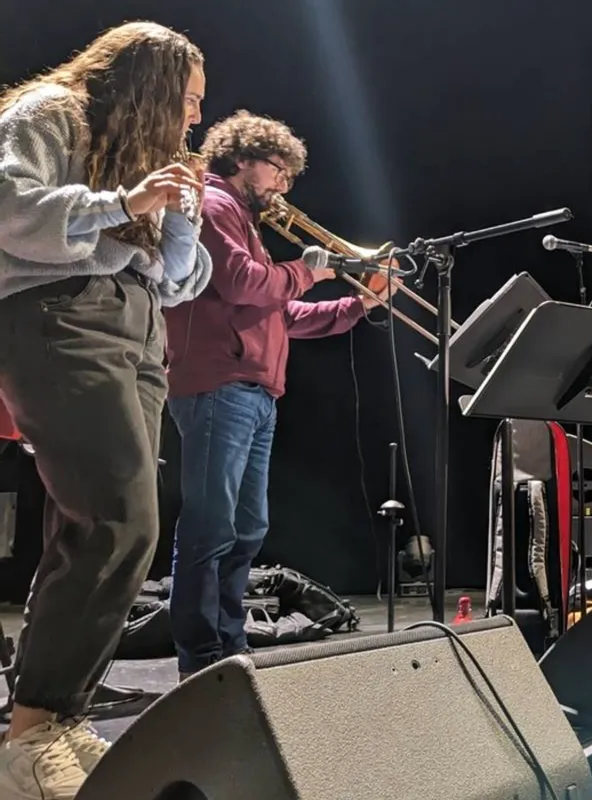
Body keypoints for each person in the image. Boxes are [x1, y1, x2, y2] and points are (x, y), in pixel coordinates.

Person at [0, 20, 211, 797]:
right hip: (59, 310)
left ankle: (54, 720)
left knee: (101, 528)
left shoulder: (143, 153)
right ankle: (30, 737)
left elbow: (177, 278)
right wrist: (124, 200)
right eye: (188, 99)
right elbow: (9, 206)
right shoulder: (50, 112)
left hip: (137, 323)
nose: (195, 117)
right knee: (121, 519)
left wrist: (181, 214)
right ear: (149, 83)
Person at [161, 110, 400, 681]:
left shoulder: (246, 223)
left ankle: (230, 647)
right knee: (210, 529)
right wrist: (308, 271)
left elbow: (280, 314)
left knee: (247, 530)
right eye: (278, 170)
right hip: (218, 386)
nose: (283, 186)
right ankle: (201, 660)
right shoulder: (213, 205)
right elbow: (244, 283)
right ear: (243, 159)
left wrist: (359, 305)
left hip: (255, 393)